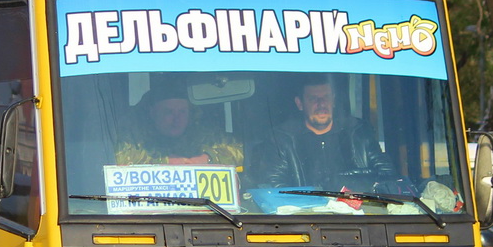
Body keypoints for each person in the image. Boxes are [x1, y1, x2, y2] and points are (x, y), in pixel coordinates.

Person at [252, 75, 399, 189]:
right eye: (313, 99)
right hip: (307, 220)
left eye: (326, 97)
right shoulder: (282, 139)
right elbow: (273, 186)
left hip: (357, 218)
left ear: (333, 100)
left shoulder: (359, 132)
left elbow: (388, 177)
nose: (321, 104)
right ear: (300, 104)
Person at [114, 81, 243, 168]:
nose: (177, 119)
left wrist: (207, 158)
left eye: (182, 111)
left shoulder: (201, 131)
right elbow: (116, 157)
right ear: (152, 112)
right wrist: (165, 162)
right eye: (168, 112)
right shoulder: (132, 133)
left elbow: (239, 150)